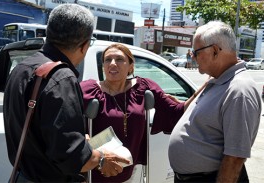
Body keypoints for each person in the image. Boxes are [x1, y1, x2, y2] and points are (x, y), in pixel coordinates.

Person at [3, 4, 129, 182]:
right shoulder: (62, 78)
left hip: (20, 175)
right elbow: (72, 159)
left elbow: (39, 132)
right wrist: (101, 157)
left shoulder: (21, 68)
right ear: (84, 45)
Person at [80, 43, 207, 183]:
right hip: (95, 172)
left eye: (119, 59)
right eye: (108, 60)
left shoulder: (143, 87)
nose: (113, 63)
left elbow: (176, 112)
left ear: (131, 66)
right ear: (103, 66)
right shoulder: (88, 89)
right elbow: (67, 125)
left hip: (128, 172)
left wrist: (205, 87)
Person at [168, 21, 262, 183]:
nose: (192, 56)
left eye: (196, 52)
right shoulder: (219, 79)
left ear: (214, 51)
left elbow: (235, 158)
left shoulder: (239, 90)